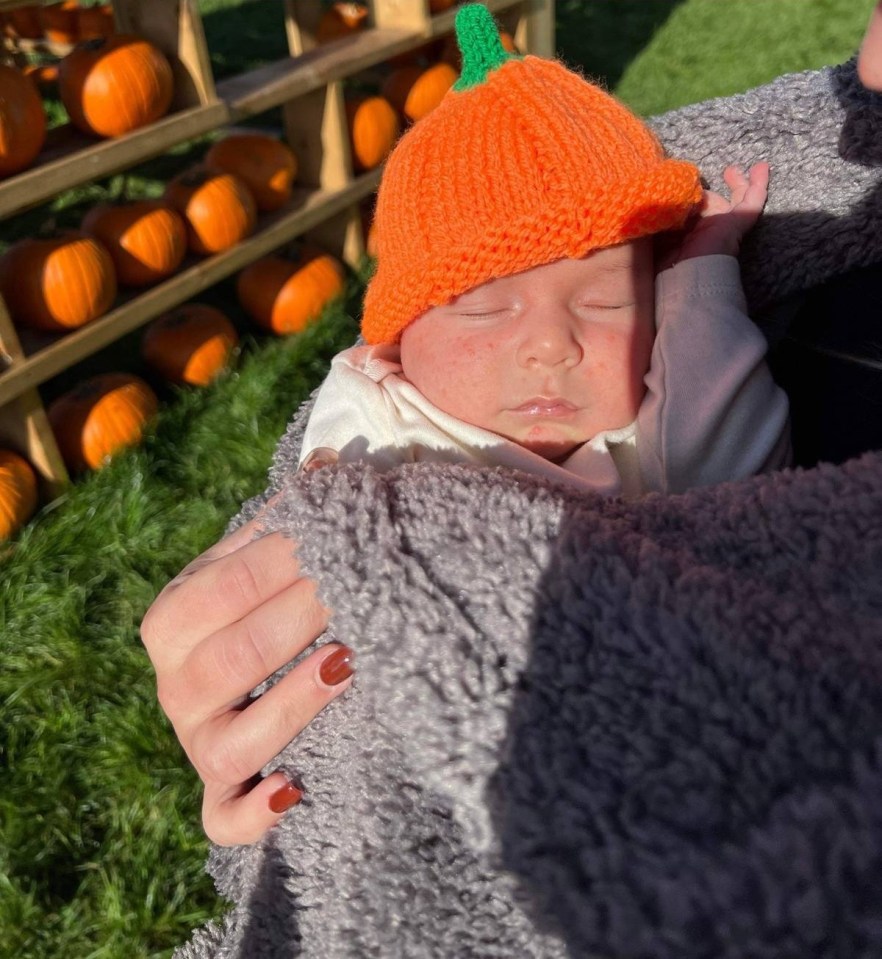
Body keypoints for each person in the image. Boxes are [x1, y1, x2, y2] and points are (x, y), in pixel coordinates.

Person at [141, 1, 825, 847]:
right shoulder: (377, 420)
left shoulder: (646, 447)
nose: (549, 344)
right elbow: (314, 580)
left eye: (608, 298)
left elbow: (742, 456)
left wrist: (704, 277)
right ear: (392, 339)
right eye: (483, 306)